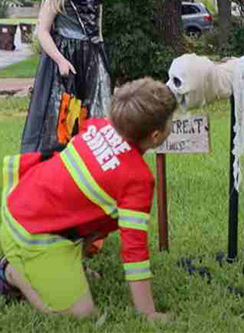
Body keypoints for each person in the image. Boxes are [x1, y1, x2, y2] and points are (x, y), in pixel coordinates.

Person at [0, 78, 177, 321]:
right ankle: (10, 272)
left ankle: (68, 262)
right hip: (29, 231)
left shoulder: (96, 125)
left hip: (19, 198)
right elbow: (134, 250)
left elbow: (78, 196)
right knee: (81, 314)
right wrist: (148, 312)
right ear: (156, 135)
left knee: (94, 206)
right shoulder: (137, 180)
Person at [20, 0, 118, 154]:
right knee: (64, 116)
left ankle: (92, 166)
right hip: (65, 67)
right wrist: (61, 60)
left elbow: (99, 33)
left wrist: (104, 67)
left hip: (93, 64)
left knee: (94, 114)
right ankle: (59, 168)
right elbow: (42, 31)